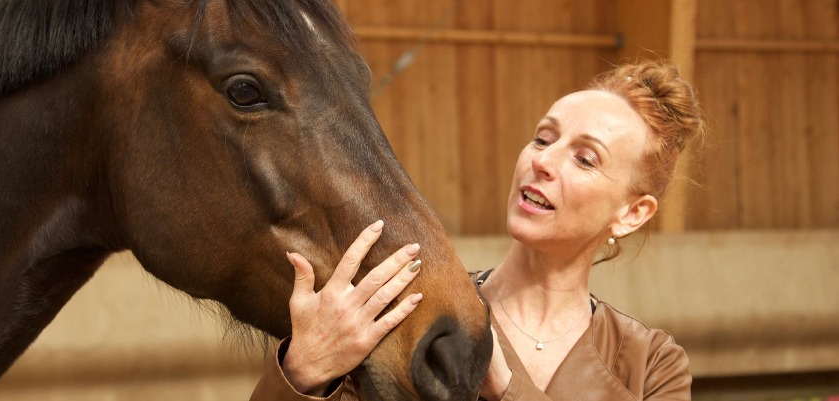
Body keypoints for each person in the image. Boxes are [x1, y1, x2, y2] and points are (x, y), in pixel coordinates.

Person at [251, 60, 705, 400]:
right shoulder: (415, 319)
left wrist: (506, 388)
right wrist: (303, 372)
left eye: (585, 159)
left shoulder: (652, 365)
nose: (542, 161)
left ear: (632, 213)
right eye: (543, 139)